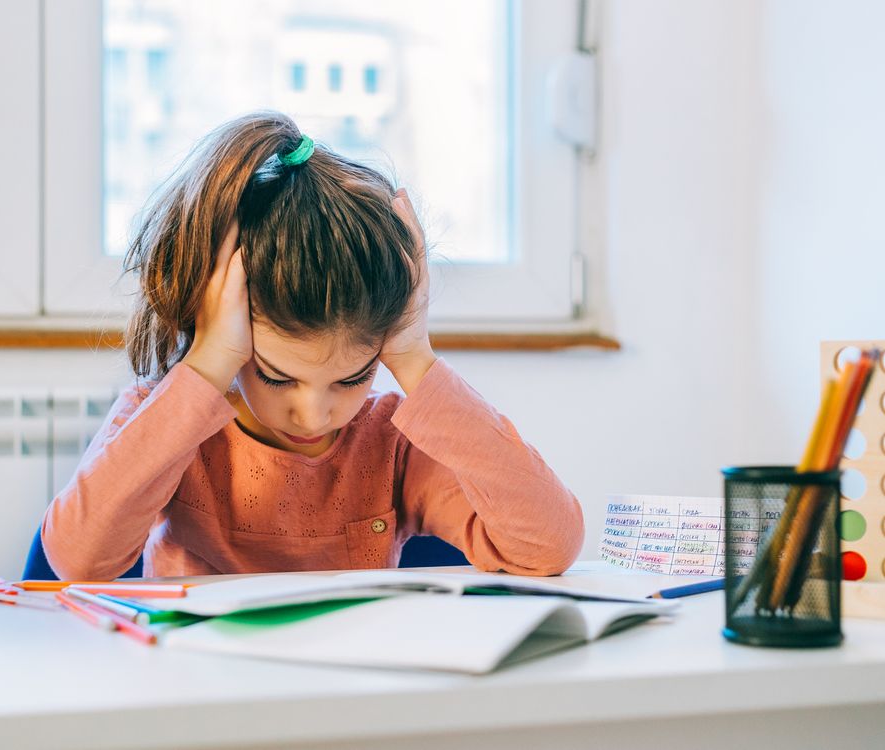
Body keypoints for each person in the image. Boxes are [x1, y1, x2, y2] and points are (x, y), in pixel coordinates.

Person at [42, 111, 584, 580]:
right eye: (278, 377)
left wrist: (414, 357)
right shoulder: (163, 422)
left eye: (353, 378)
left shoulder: (392, 446)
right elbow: (79, 561)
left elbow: (547, 546)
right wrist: (206, 363)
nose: (314, 414)